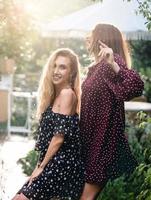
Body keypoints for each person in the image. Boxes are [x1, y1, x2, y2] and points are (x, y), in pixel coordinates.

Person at [80, 24, 144, 200]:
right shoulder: (97, 68)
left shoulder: (110, 63)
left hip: (102, 142)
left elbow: (136, 86)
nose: (88, 38)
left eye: (92, 35)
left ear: (102, 39)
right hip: (91, 141)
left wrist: (114, 64)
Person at [12, 48, 84, 200]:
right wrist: (38, 167)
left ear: (71, 73)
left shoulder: (67, 94)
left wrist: (41, 168)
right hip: (53, 163)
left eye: (62, 67)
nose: (56, 71)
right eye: (55, 66)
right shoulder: (55, 96)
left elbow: (58, 138)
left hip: (61, 166)